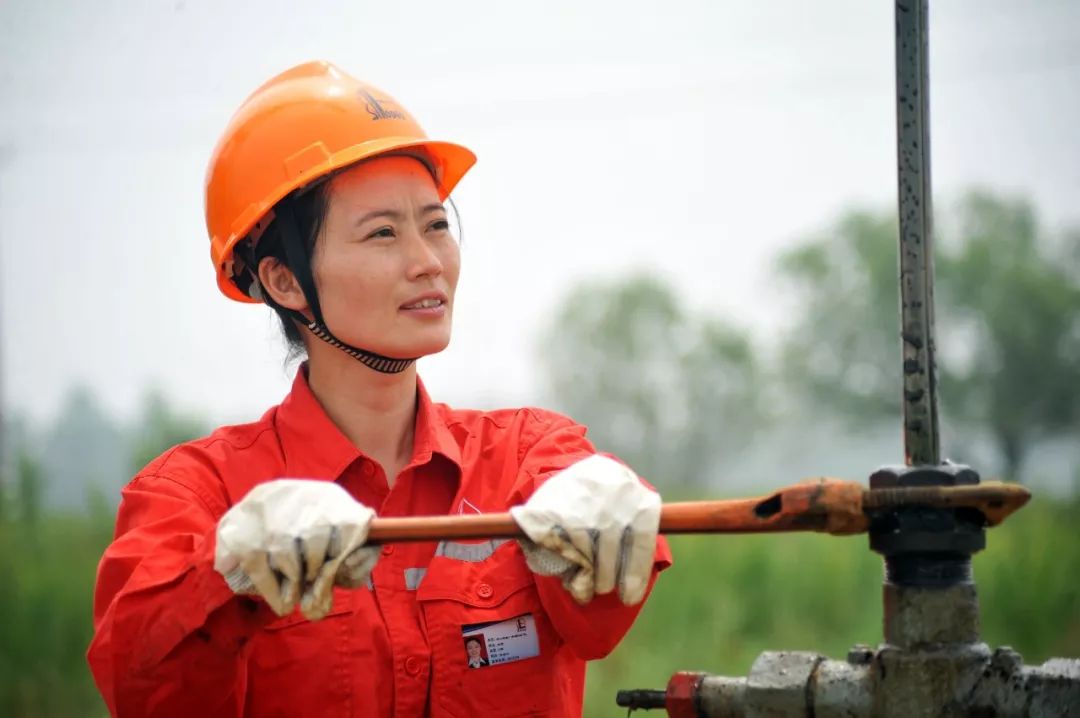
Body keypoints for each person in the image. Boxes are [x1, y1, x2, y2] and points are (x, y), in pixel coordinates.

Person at [87, 61, 672, 717]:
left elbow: (598, 620)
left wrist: (614, 506)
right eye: (384, 233)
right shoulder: (195, 497)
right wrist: (226, 576)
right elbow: (142, 689)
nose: (427, 260)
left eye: (436, 224)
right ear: (284, 281)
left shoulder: (528, 459)